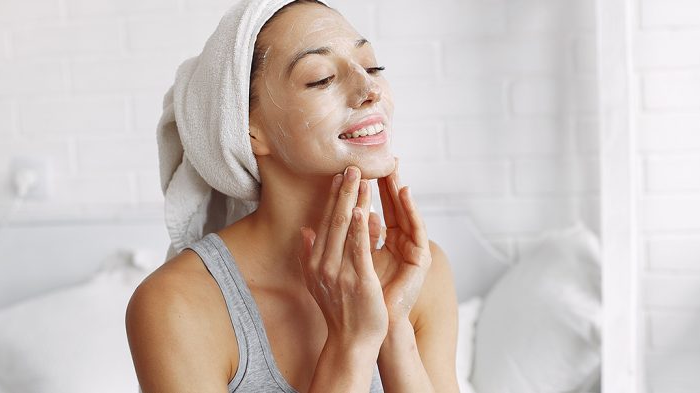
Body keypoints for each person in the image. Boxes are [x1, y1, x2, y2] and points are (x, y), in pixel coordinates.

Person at [126, 1, 459, 391]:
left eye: (372, 67)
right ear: (248, 130)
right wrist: (351, 343)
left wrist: (393, 325)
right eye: (320, 78)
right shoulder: (177, 304)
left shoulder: (418, 271)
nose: (369, 90)